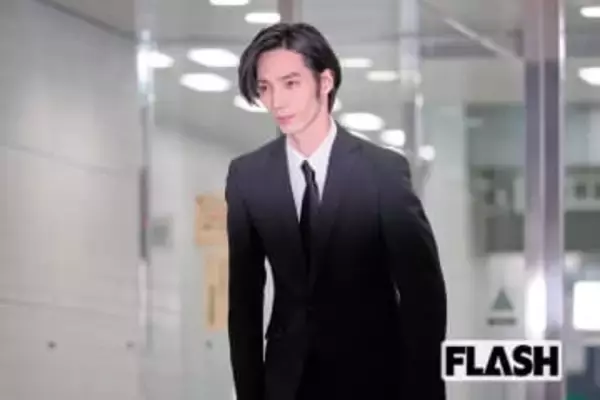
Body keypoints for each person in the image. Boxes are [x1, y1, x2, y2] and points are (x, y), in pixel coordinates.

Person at [225, 22, 447, 400]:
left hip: (374, 381)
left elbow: (423, 294)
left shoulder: (382, 172)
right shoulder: (248, 176)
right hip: (287, 383)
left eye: (290, 83)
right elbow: (244, 302)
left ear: (325, 82)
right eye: (265, 87)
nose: (277, 101)